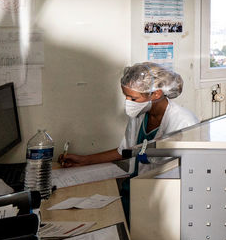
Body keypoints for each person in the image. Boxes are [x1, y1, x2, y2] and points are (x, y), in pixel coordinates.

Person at [60, 62, 200, 177]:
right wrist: (84, 160)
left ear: (156, 94)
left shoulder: (184, 122)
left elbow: (188, 171)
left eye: (133, 98)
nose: (128, 102)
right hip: (137, 185)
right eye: (126, 96)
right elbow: (125, 150)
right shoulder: (140, 113)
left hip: (163, 191)